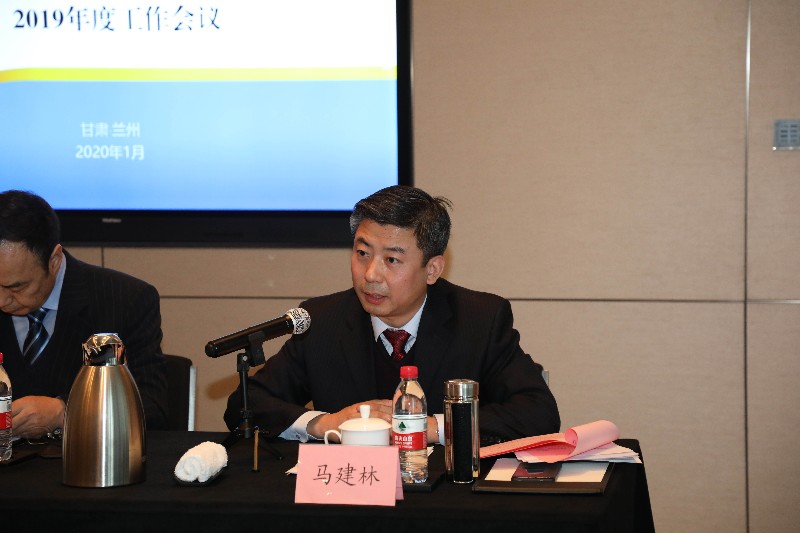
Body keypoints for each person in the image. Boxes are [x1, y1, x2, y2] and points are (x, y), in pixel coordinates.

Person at [224, 185, 559, 444]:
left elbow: (538, 412)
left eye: (392, 260)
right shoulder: (322, 320)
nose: (370, 274)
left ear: (432, 269)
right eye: (362, 253)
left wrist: (427, 427)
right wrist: (325, 423)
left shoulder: (479, 320)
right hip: (348, 495)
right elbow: (245, 404)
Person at [0, 190, 168, 438]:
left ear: (54, 260)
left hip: (88, 458)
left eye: (17, 287)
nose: (2, 300)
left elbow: (152, 407)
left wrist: (65, 412)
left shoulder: (125, 300)